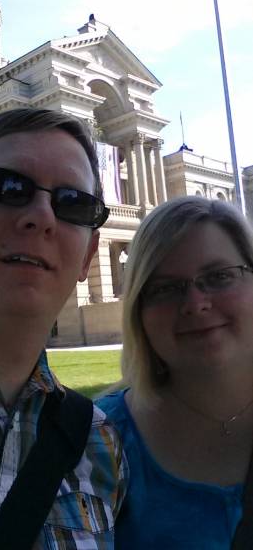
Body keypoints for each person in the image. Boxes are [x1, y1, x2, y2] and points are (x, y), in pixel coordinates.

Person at [0, 108, 128, 549]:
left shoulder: (98, 445)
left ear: (87, 258)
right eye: (9, 187)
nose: (42, 217)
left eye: (73, 203)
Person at [97, 195, 253, 549]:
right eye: (166, 288)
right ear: (139, 311)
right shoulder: (97, 444)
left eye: (219, 277)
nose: (196, 304)